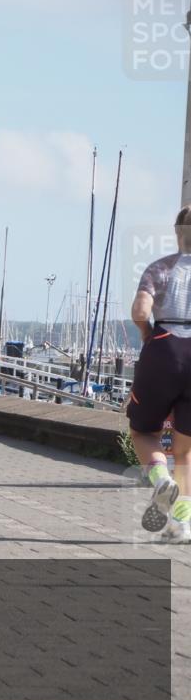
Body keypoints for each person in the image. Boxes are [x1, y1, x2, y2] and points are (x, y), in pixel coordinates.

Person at [127, 204, 191, 544]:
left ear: (178, 233)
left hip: (165, 347)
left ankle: (162, 479)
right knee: (187, 450)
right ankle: (182, 523)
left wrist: (147, 332)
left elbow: (140, 310)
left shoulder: (160, 269)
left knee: (143, 431)